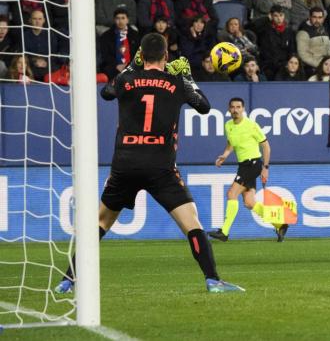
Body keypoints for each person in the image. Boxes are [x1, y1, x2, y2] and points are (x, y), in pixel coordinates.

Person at [54, 33, 244, 294]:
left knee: (100, 223)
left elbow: (106, 92)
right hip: (160, 166)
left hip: (125, 164)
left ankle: (67, 280)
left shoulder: (126, 79)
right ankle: (212, 280)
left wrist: (132, 66)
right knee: (192, 223)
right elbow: (204, 107)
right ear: (167, 57)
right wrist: (187, 76)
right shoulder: (176, 81)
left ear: (141, 55)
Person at [208, 97, 288, 242]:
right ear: (229, 109)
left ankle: (224, 232)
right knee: (249, 202)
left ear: (243, 109)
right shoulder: (228, 125)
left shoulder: (251, 125)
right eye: (232, 107)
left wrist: (265, 168)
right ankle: (280, 224)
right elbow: (231, 143)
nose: (235, 110)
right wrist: (225, 155)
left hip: (253, 164)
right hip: (243, 165)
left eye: (238, 107)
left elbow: (266, 146)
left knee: (231, 194)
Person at [248, 5, 296, 80]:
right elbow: (250, 27)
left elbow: (292, 50)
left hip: (284, 66)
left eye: (281, 15)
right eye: (276, 16)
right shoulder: (265, 30)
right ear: (271, 16)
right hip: (268, 65)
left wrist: (287, 64)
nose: (279, 19)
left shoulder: (289, 31)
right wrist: (266, 18)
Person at [100, 8, 141, 80]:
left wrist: (128, 66)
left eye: (123, 18)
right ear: (114, 20)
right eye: (118, 18)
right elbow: (105, 55)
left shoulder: (135, 35)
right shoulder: (106, 36)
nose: (120, 21)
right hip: (113, 67)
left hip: (132, 66)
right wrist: (116, 65)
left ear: (127, 20)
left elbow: (139, 53)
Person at [296, 7, 330, 75]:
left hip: (327, 65)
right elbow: (303, 55)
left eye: (320, 17)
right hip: (312, 68)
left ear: (323, 19)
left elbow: (329, 49)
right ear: (309, 17)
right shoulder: (303, 32)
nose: (317, 20)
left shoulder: (323, 30)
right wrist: (321, 66)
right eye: (314, 17)